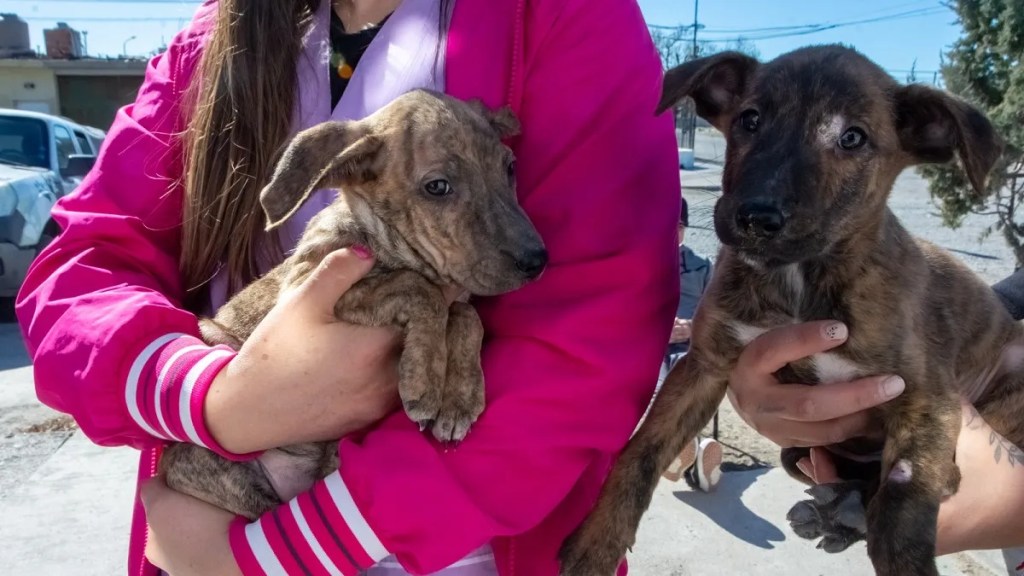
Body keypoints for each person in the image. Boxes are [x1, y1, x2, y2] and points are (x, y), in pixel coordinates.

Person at [14, 1, 681, 575]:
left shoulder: (559, 16)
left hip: (446, 548)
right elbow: (83, 268)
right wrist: (216, 401)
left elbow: (594, 343)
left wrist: (275, 557)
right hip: (219, 507)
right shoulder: (221, 34)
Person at [656, 199, 723, 493]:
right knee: (658, 382)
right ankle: (696, 448)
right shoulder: (641, 267)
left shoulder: (702, 267)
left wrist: (692, 328)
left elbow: (719, 316)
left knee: (692, 376)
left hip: (692, 346)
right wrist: (660, 330)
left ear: (685, 230)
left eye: (679, 227)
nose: (673, 234)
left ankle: (680, 449)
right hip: (652, 348)